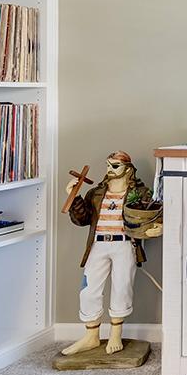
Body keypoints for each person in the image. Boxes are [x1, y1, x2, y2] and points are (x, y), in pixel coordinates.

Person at [61, 151, 153, 356]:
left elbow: (148, 215)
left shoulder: (139, 192)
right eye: (108, 165)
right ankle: (91, 336)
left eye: (115, 166)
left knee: (122, 287)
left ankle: (115, 334)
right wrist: (74, 197)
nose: (109, 170)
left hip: (124, 244)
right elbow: (82, 219)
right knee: (89, 288)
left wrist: (152, 227)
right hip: (99, 244)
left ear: (127, 169)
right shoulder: (96, 193)